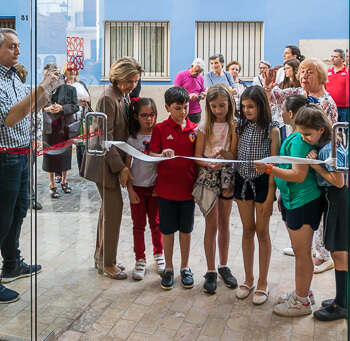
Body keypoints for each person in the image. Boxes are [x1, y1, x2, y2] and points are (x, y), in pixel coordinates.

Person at [0, 28, 58, 303]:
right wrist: (41, 87)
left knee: (19, 211)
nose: (18, 51)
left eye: (19, 46)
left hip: (21, 155)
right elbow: (11, 118)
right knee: (2, 218)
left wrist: (50, 89)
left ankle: (12, 264)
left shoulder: (12, 77)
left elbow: (32, 107)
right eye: (12, 46)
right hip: (5, 158)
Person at [264, 58, 338, 269]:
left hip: (316, 164)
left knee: (321, 208)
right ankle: (306, 245)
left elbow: (330, 136)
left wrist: (318, 159)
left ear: (321, 76)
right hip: (298, 158)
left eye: (310, 72)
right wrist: (269, 87)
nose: (304, 76)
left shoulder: (326, 102)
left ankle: (323, 254)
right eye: (302, 72)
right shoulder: (301, 94)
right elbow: (276, 97)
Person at [255, 99, 323, 317]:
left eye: (283, 108)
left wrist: (268, 169)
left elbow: (298, 175)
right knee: (299, 251)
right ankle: (304, 291)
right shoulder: (297, 136)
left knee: (302, 253)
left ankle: (302, 302)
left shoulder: (301, 141)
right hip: (293, 200)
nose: (280, 111)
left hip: (303, 202)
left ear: (291, 113)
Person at [82, 56, 143, 279]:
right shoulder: (108, 98)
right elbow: (104, 138)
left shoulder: (121, 96)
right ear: (117, 78)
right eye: (129, 81)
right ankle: (108, 263)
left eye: (135, 81)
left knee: (107, 212)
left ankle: (102, 258)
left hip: (110, 161)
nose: (132, 85)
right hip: (105, 163)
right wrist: (120, 168)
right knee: (114, 211)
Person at [220, 86, 280, 305]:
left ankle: (263, 282)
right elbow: (234, 155)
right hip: (243, 182)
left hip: (264, 183)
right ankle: (248, 279)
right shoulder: (240, 127)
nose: (246, 110)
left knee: (262, 232)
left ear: (261, 106)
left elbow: (274, 163)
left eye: (251, 106)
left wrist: (270, 195)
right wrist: (221, 154)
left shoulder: (272, 130)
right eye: (244, 106)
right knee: (247, 230)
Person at [301, 106, 348, 321]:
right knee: (341, 252)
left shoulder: (326, 149)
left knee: (339, 253)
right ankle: (342, 299)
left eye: (308, 134)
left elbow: (338, 181)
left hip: (337, 200)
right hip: (338, 200)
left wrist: (316, 165)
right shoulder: (329, 142)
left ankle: (342, 306)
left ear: (321, 129)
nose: (305, 138)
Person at [149, 86, 197, 290]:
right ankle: (168, 268)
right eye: (178, 108)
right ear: (168, 107)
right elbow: (151, 155)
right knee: (167, 231)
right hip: (166, 190)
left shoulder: (195, 129)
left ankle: (185, 267)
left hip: (188, 190)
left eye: (185, 107)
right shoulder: (160, 129)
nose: (183, 112)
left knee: (186, 231)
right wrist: (161, 155)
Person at [192, 83, 237, 294]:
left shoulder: (235, 126)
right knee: (211, 225)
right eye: (214, 106)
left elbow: (235, 155)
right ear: (208, 106)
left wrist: (226, 166)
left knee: (224, 223)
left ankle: (223, 265)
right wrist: (208, 163)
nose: (218, 110)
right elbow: (198, 155)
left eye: (222, 105)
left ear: (229, 103)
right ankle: (210, 270)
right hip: (208, 176)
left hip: (227, 176)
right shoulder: (203, 126)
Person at [125, 98, 164, 280]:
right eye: (144, 116)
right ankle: (140, 259)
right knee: (138, 226)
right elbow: (127, 169)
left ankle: (159, 254)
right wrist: (130, 190)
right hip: (138, 190)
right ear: (136, 116)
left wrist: (160, 185)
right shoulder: (132, 140)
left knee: (156, 224)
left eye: (152, 115)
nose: (149, 119)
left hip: (155, 189)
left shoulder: (159, 134)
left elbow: (164, 165)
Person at [42, 63, 79, 199]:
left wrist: (61, 108)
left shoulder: (69, 89)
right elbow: (35, 107)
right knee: (49, 156)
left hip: (64, 127)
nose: (49, 77)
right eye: (46, 75)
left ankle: (64, 180)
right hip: (49, 127)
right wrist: (47, 109)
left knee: (65, 155)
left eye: (52, 74)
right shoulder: (42, 90)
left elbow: (75, 106)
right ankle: (52, 184)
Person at [15, 63, 43, 210]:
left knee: (27, 169)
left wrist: (36, 138)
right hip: (18, 140)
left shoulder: (27, 92)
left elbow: (38, 117)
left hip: (27, 139)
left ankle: (29, 198)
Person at [61, 63, 91, 176]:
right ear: (65, 71)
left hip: (80, 117)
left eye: (74, 69)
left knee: (80, 145)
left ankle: (82, 170)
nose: (72, 71)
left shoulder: (80, 84)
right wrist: (78, 100)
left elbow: (88, 99)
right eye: (69, 69)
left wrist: (76, 100)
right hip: (66, 118)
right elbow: (64, 101)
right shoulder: (62, 85)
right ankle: (60, 173)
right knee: (64, 146)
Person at [271, 58, 301, 142]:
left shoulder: (300, 85)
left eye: (288, 68)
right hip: (283, 117)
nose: (285, 71)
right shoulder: (282, 84)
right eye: (284, 68)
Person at [174, 58, 206, 123]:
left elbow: (202, 90)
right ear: (192, 66)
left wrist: (202, 95)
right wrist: (188, 96)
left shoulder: (200, 78)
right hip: (182, 110)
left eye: (200, 72)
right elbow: (174, 92)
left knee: (194, 132)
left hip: (196, 112)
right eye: (197, 71)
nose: (198, 73)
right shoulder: (181, 75)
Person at [325, 49, 349, 122]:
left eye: (335, 57)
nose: (332, 58)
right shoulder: (328, 72)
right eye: (332, 56)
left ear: (342, 59)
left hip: (344, 108)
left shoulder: (347, 71)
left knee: (344, 130)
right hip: (330, 106)